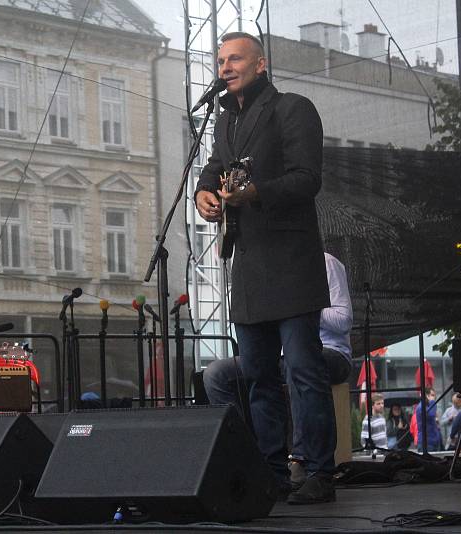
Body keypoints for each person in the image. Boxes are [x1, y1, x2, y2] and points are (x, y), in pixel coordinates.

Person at [195, 31, 333, 504]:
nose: (225, 67)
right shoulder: (225, 119)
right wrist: (203, 193)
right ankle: (272, 470)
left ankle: (318, 472)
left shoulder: (293, 108)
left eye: (235, 59)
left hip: (291, 263)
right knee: (256, 377)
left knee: (302, 371)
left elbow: (307, 178)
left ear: (261, 64)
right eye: (220, 61)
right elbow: (215, 166)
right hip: (250, 265)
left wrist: (255, 192)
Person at [203, 252, 353, 485]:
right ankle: (245, 457)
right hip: (277, 356)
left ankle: (301, 459)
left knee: (298, 363)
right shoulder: (260, 268)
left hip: (331, 353)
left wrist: (301, 304)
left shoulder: (325, 262)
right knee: (216, 374)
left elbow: (343, 320)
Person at [415, 388, 442, 453]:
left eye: (434, 395)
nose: (434, 397)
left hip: (433, 441)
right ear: (426, 395)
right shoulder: (421, 406)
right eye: (432, 395)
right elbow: (431, 415)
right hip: (426, 443)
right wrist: (432, 402)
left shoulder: (428, 406)